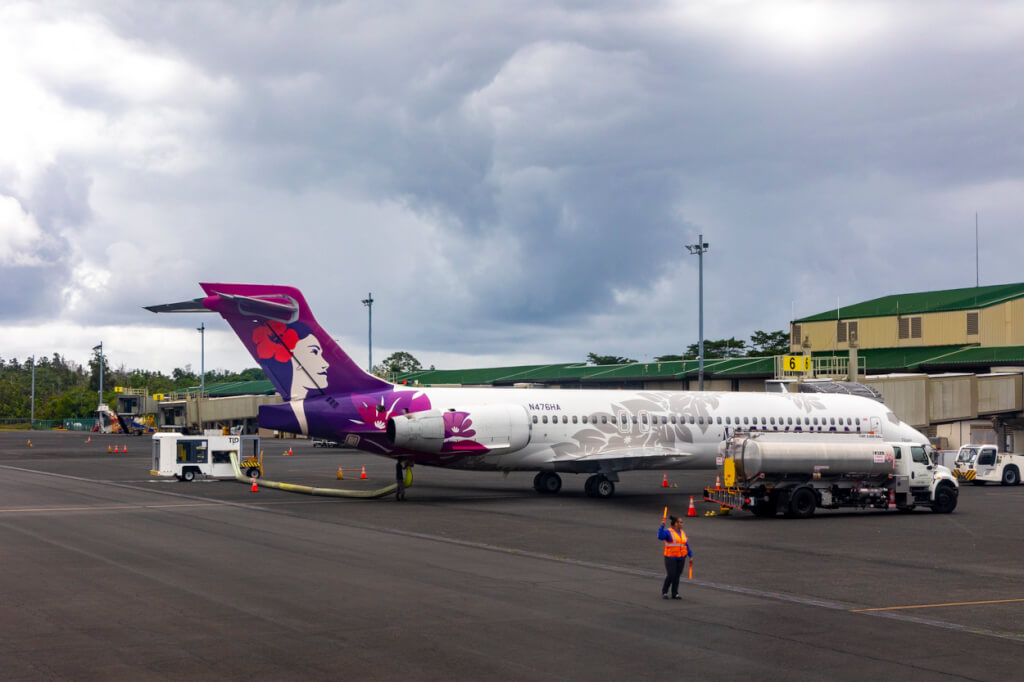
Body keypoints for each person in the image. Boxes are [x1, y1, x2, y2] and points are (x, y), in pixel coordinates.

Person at [658, 515, 693, 599]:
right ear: (675, 524)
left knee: (677, 575)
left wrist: (690, 555)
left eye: (682, 522)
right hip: (670, 557)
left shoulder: (682, 533)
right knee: (671, 574)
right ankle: (665, 592)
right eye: (680, 522)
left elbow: (686, 545)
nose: (682, 524)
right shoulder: (668, 532)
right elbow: (660, 537)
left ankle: (675, 593)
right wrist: (662, 526)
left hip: (681, 557)